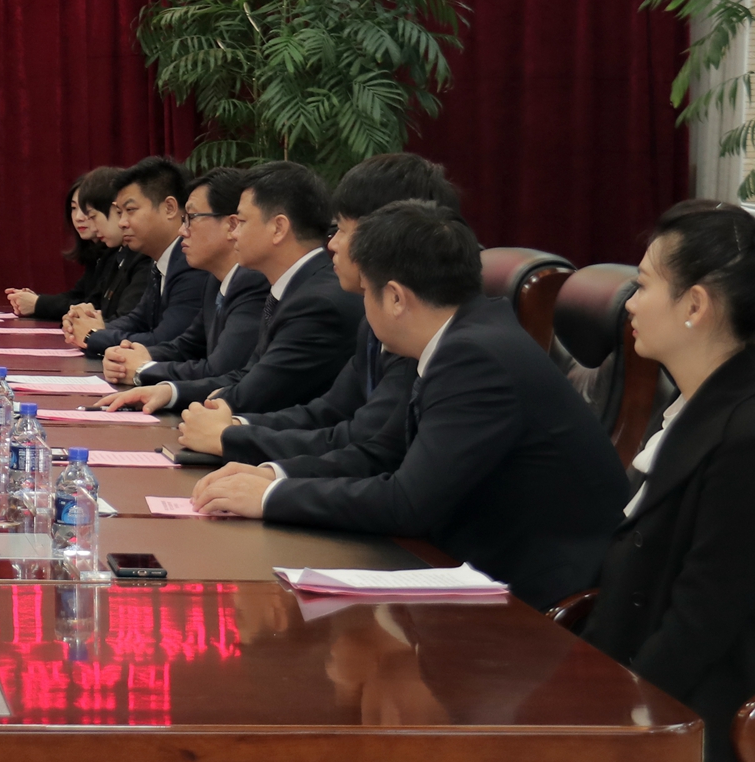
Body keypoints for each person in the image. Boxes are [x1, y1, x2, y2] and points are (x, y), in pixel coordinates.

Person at [379, 199, 755, 762]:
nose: (631, 304)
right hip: (626, 693)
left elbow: (701, 622)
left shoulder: (743, 435)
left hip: (691, 738)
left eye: (644, 285)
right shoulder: (699, 408)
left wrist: (601, 723)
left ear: (695, 305)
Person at [190, 200, 629, 609]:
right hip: (466, 559)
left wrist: (271, 497)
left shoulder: (474, 358)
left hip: (529, 596)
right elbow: (382, 453)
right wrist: (272, 475)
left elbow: (407, 503)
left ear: (397, 298)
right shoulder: (464, 335)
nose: (364, 307)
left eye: (367, 292)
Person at [176, 153, 459, 460]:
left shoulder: (412, 329)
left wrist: (232, 438)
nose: (332, 244)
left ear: (390, 234)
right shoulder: (372, 318)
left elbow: (368, 447)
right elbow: (328, 411)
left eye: (343, 230)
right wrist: (234, 428)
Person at [103, 160, 361, 415]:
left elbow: (255, 392)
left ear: (278, 228)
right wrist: (170, 392)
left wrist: (148, 373)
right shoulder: (288, 286)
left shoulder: (315, 302)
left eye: (242, 222)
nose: (235, 233)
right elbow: (246, 375)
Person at [101, 167, 268, 388]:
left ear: (232, 225)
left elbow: (220, 369)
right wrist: (135, 356)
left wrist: (143, 369)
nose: (182, 231)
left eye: (191, 218)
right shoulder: (215, 281)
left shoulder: (253, 281)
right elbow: (186, 346)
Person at [62, 156, 211, 357]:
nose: (122, 223)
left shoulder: (191, 263)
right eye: (119, 212)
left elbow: (164, 340)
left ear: (169, 208)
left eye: (130, 210)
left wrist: (93, 335)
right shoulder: (161, 261)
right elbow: (138, 320)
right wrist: (92, 327)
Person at [5, 167, 151, 321]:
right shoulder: (116, 255)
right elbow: (87, 301)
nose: (80, 218)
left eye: (92, 215)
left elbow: (116, 317)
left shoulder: (143, 258)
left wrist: (40, 304)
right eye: (74, 208)